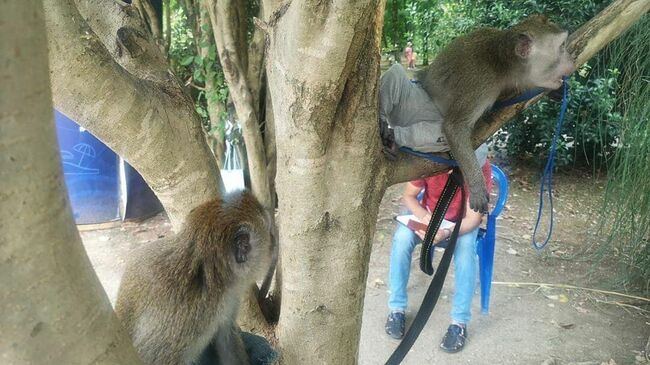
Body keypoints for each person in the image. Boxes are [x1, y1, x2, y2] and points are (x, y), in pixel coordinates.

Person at [385, 159, 492, 353]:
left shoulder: (478, 165)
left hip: (461, 224)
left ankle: (459, 322)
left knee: (466, 252)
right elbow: (409, 196)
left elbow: (474, 218)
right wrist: (423, 216)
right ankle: (396, 308)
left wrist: (446, 232)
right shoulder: (428, 158)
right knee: (401, 240)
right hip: (430, 218)